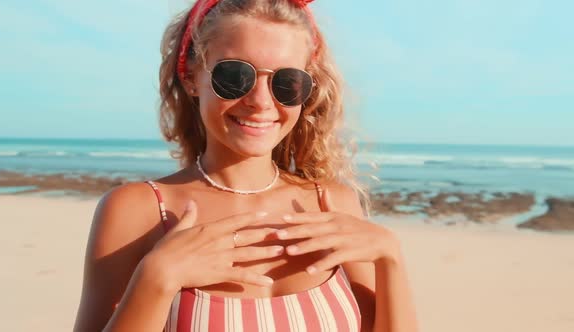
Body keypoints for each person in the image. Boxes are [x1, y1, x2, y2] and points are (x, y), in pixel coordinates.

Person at [74, 0, 418, 331]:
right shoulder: (140, 211)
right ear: (192, 76)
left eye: (286, 83)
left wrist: (390, 259)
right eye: (235, 76)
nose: (260, 102)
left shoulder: (333, 203)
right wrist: (157, 278)